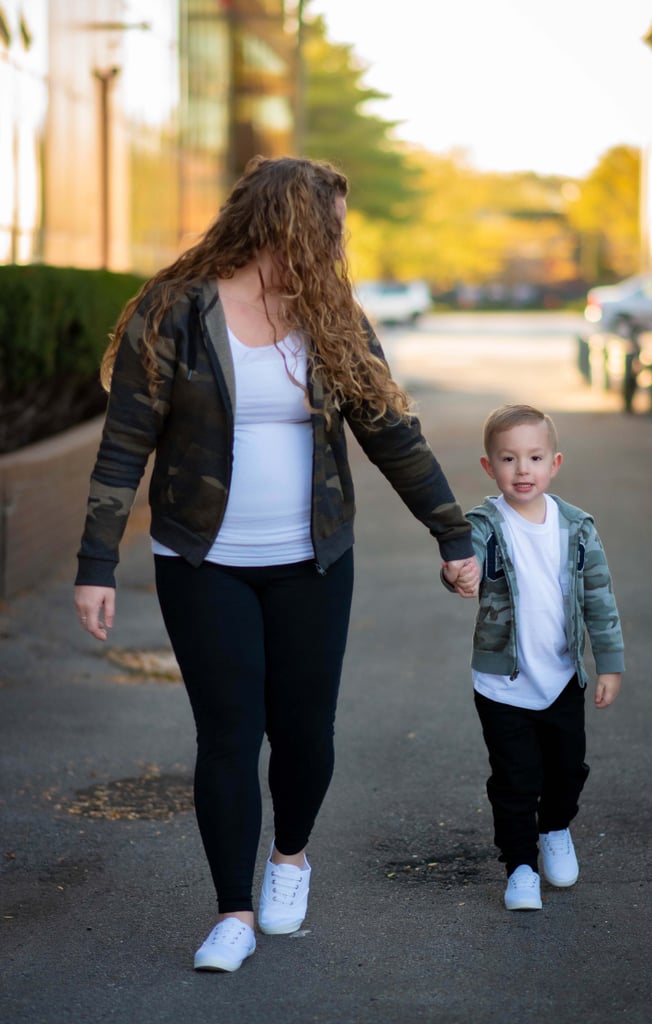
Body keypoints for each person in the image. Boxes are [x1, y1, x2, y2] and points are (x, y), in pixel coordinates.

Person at [74, 155, 480, 972]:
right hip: (200, 558)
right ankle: (233, 914)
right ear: (287, 219)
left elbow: (392, 434)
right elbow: (125, 445)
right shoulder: (179, 310)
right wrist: (96, 563)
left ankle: (290, 858)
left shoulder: (332, 315)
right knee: (229, 735)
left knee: (304, 732)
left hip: (312, 560)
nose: (340, 238)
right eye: (331, 220)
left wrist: (453, 533)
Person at [441, 404, 624, 911]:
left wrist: (608, 663)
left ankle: (556, 829)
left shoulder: (577, 528)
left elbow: (599, 597)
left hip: (564, 678)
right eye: (509, 458)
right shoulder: (485, 524)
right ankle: (520, 864)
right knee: (515, 778)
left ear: (554, 463)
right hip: (502, 684)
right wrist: (458, 572)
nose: (522, 470)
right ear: (489, 467)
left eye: (534, 457)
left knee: (567, 770)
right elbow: (462, 556)